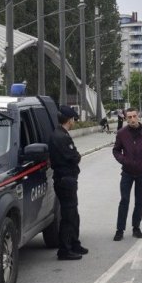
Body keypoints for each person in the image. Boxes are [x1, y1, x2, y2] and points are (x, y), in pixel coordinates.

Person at [48, 105, 88, 261]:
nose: (74, 122)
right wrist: (77, 156)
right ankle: (64, 249)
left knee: (73, 214)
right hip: (65, 180)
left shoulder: (60, 134)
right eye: (73, 119)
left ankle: (74, 243)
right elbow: (74, 157)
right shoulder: (61, 137)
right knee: (68, 216)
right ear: (69, 120)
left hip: (67, 179)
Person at [112, 107, 142, 241]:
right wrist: (124, 161)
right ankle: (120, 230)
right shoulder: (122, 133)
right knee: (124, 200)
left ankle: (136, 228)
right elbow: (116, 151)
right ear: (125, 118)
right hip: (127, 173)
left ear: (138, 116)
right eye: (129, 117)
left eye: (134, 116)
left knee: (140, 202)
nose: (132, 119)